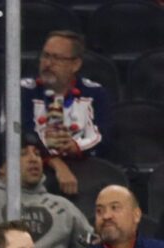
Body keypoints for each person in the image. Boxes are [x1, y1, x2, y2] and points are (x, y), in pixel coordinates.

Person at [21, 31, 111, 198]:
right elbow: (21, 135)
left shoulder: (95, 93)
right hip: (31, 171)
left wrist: (75, 146)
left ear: (75, 64)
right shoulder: (22, 91)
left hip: (83, 168)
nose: (48, 63)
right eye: (45, 56)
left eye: (57, 58)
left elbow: (102, 137)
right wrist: (56, 162)